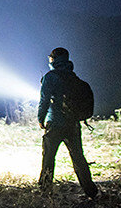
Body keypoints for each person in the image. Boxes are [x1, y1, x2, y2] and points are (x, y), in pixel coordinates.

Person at [38, 47, 99, 198]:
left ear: (53, 59)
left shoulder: (50, 77)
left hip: (55, 124)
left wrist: (41, 118)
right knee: (78, 157)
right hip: (73, 124)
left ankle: (45, 191)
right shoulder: (73, 77)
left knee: (49, 157)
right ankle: (91, 191)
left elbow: (44, 100)